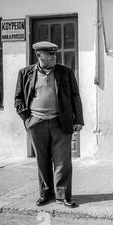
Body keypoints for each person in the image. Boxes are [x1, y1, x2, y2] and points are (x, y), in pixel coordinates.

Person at [14, 41, 84, 208]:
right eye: (50, 54)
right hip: (36, 124)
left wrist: (79, 120)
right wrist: (27, 120)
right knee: (42, 160)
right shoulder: (25, 73)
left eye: (55, 54)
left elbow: (75, 96)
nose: (54, 57)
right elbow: (18, 99)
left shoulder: (65, 72)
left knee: (63, 162)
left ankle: (63, 195)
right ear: (39, 55)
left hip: (61, 123)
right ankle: (46, 193)